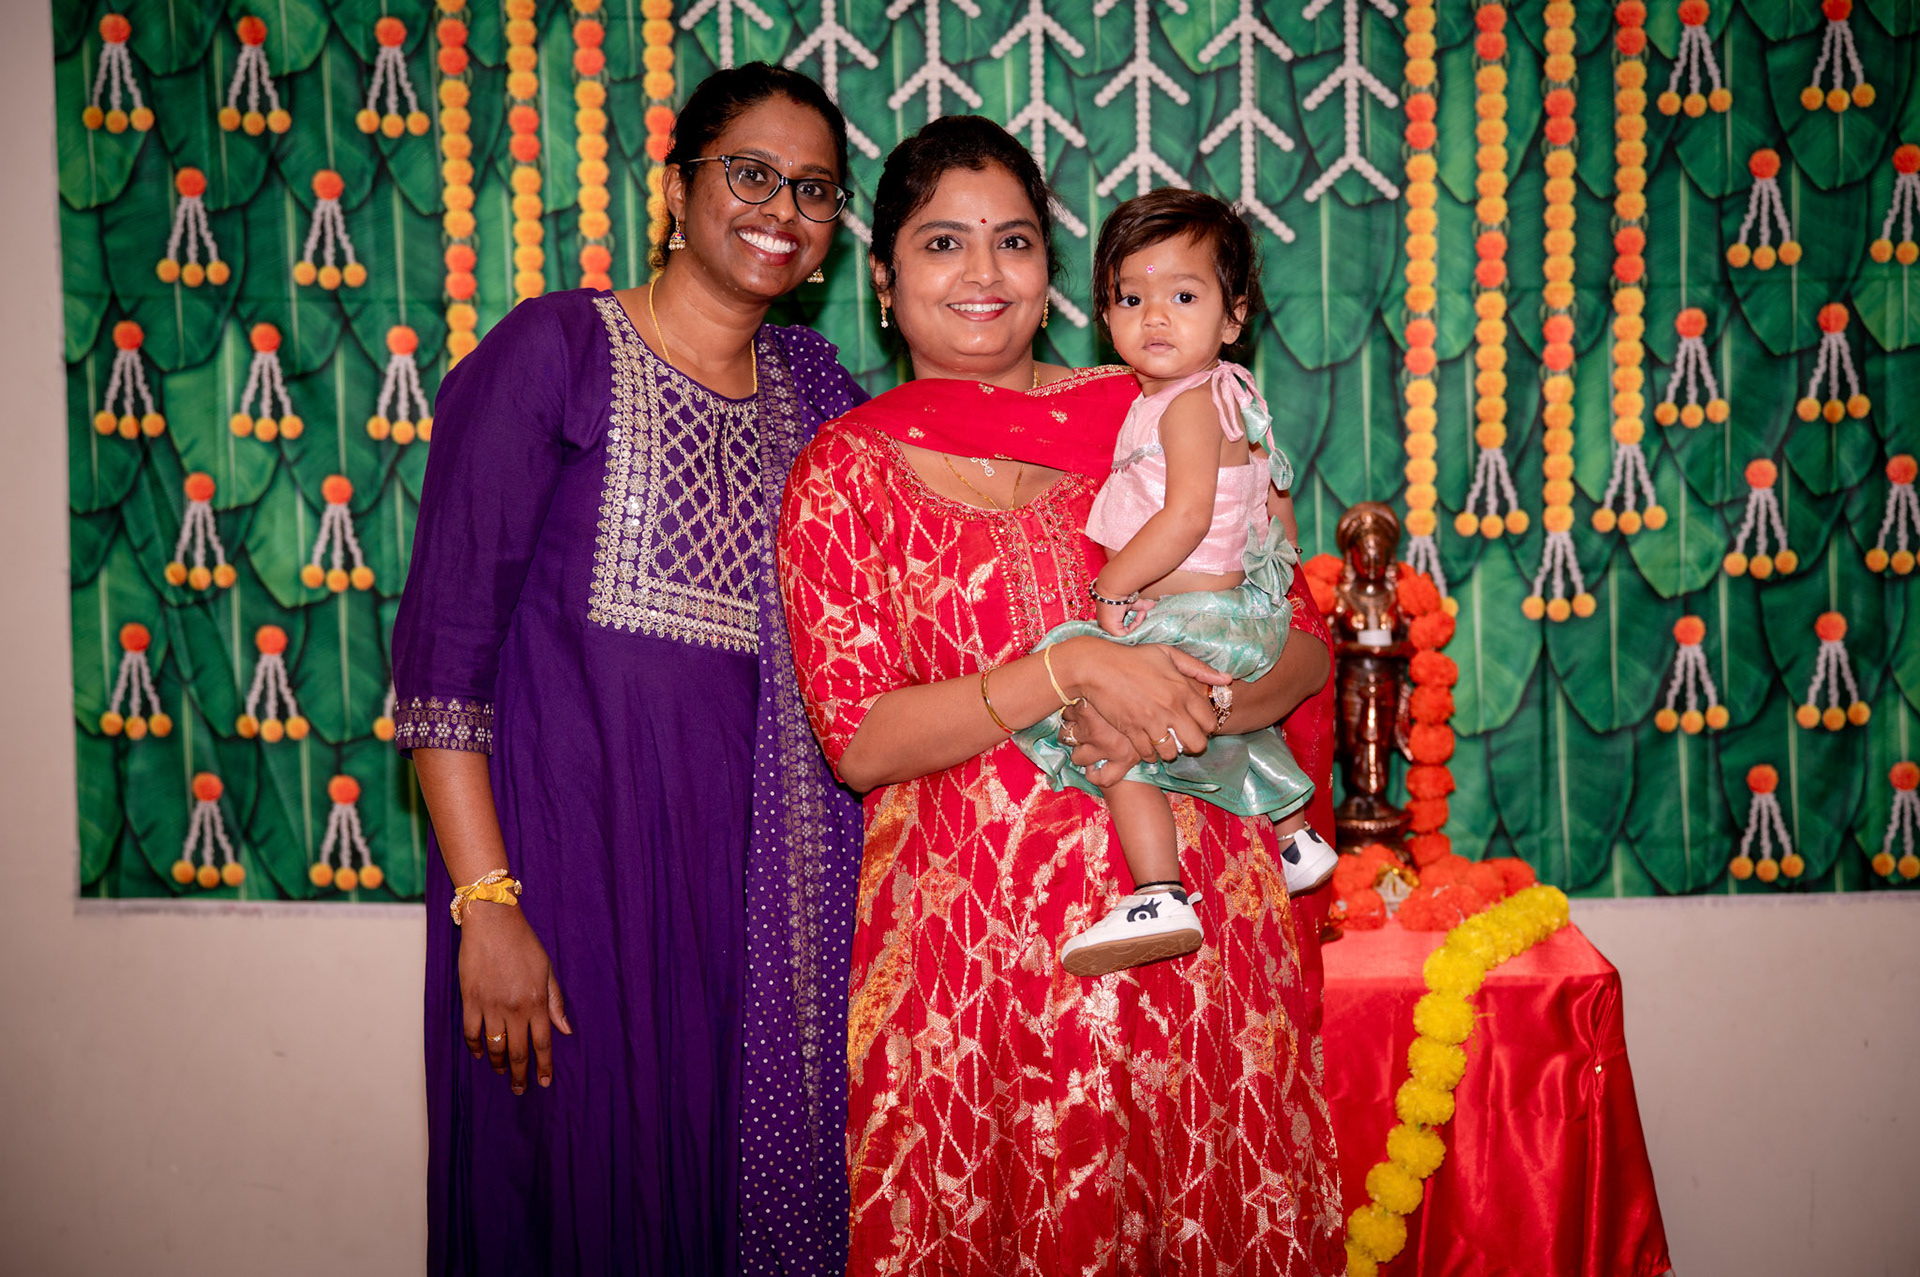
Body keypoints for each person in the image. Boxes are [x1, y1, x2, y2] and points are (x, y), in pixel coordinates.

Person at [777, 115, 1344, 1275]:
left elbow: (1302, 642)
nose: (982, 272)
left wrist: (1199, 703)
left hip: (1199, 950)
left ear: (1050, 273)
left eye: (1015, 240)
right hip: (969, 979)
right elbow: (861, 739)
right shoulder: (844, 472)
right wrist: (1067, 668)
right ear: (882, 279)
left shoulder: (1160, 408)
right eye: (942, 242)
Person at [390, 64, 867, 1277]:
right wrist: (488, 906)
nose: (782, 209)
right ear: (676, 188)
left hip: (754, 921)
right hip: (565, 892)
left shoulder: (819, 400)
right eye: (750, 173)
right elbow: (444, 664)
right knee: (569, 1205)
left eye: (815, 190)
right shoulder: (556, 351)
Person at [1012, 189, 1340, 978]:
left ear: (1234, 316)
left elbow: (1186, 516)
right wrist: (1268, 588)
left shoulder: (1185, 407)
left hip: (1189, 608)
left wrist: (1112, 588)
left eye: (1184, 297)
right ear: (1104, 313)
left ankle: (1158, 891)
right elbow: (1277, 502)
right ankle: (1294, 835)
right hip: (1235, 611)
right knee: (1217, 712)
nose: (1155, 316)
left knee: (1107, 730)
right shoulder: (1234, 392)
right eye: (1132, 298)